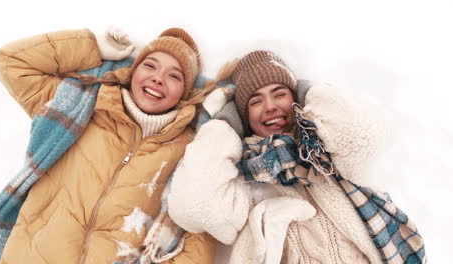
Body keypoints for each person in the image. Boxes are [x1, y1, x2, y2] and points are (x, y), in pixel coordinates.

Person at [168, 50, 426, 263]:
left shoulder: (328, 148)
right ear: (243, 117)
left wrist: (309, 93)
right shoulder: (243, 171)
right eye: (255, 102)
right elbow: (193, 208)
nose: (270, 106)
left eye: (280, 93)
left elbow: (363, 137)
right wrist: (224, 126)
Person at [0, 27, 216, 264]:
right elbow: (12, 62)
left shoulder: (189, 150)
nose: (158, 78)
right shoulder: (77, 108)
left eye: (175, 76)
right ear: (131, 72)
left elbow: (198, 227)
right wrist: (92, 48)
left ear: (186, 93)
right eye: (149, 65)